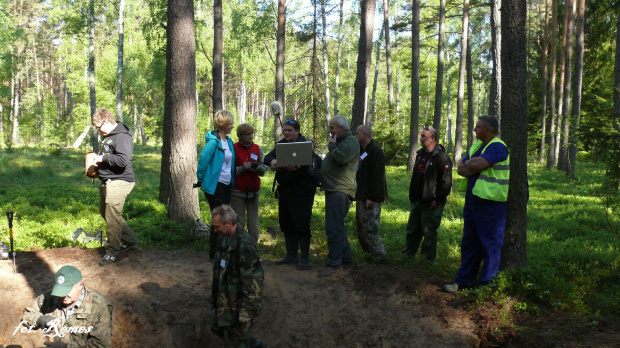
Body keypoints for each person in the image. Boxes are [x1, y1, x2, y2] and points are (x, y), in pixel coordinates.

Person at [444, 116, 510, 292]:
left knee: (490, 244)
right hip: (473, 201)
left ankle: (486, 284)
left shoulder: (498, 146)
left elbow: (475, 164)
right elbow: (461, 168)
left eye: (478, 127)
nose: (474, 129)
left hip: (491, 204)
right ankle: (463, 281)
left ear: (487, 130)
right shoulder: (477, 146)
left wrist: (473, 165)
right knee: (470, 242)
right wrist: (472, 165)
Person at [264, 119, 321, 270]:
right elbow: (267, 157)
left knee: (301, 223)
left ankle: (304, 259)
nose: (287, 133)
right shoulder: (281, 145)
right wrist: (274, 161)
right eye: (285, 130)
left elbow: (316, 161)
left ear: (297, 131)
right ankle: (291, 255)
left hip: (302, 192)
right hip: (285, 190)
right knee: (286, 222)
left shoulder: (305, 145)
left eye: (290, 130)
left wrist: (300, 166)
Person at [210, 205, 265, 348]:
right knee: (220, 330)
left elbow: (254, 280)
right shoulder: (223, 239)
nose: (215, 230)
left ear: (229, 223)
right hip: (226, 299)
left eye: (217, 227)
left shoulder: (245, 245)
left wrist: (247, 310)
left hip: (240, 302)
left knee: (240, 342)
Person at [20, 265, 112, 348]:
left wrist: (66, 347)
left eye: (67, 290)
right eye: (60, 291)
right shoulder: (51, 297)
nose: (63, 295)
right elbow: (27, 315)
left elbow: (100, 345)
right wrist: (38, 320)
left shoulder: (98, 305)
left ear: (80, 285)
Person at [92, 109, 139, 266]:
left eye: (99, 127)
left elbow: (123, 160)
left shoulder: (122, 137)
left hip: (120, 181)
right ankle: (130, 240)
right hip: (108, 181)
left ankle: (112, 251)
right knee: (105, 212)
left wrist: (102, 158)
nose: (98, 130)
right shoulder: (108, 137)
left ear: (106, 122)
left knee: (112, 216)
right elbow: (109, 158)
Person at [402, 126, 452, 264]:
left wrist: (438, 199)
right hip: (417, 200)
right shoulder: (420, 154)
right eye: (421, 136)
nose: (421, 138)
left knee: (429, 232)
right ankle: (408, 253)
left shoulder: (441, 157)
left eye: (424, 136)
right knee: (412, 229)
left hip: (432, 203)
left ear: (433, 139)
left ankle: (427, 259)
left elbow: (446, 182)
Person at [320, 116, 360, 269]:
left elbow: (341, 159)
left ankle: (334, 261)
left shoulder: (350, 142)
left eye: (332, 128)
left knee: (334, 227)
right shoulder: (342, 142)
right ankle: (346, 258)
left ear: (342, 128)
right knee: (338, 226)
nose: (330, 131)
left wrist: (331, 146)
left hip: (340, 189)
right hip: (334, 188)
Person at [197, 110, 235, 261]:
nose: (232, 126)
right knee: (219, 219)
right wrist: (201, 180)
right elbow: (203, 161)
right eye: (230, 123)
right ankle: (214, 254)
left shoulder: (229, 141)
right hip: (215, 187)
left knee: (225, 219)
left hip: (226, 185)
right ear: (224, 124)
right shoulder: (213, 142)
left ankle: (223, 251)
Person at [354, 125, 388, 262]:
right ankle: (368, 256)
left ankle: (380, 257)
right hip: (362, 195)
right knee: (361, 228)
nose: (355, 135)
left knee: (371, 228)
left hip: (371, 198)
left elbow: (377, 176)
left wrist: (371, 197)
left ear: (364, 134)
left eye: (357, 133)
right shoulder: (364, 150)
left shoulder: (375, 151)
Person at [230, 123, 266, 244]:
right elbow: (229, 172)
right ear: (240, 136)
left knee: (254, 225)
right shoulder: (233, 148)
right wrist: (242, 168)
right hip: (237, 192)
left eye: (252, 133)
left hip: (253, 192)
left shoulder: (256, 148)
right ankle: (238, 251)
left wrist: (257, 169)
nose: (250, 136)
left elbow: (263, 170)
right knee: (239, 223)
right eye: (247, 134)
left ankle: (252, 251)